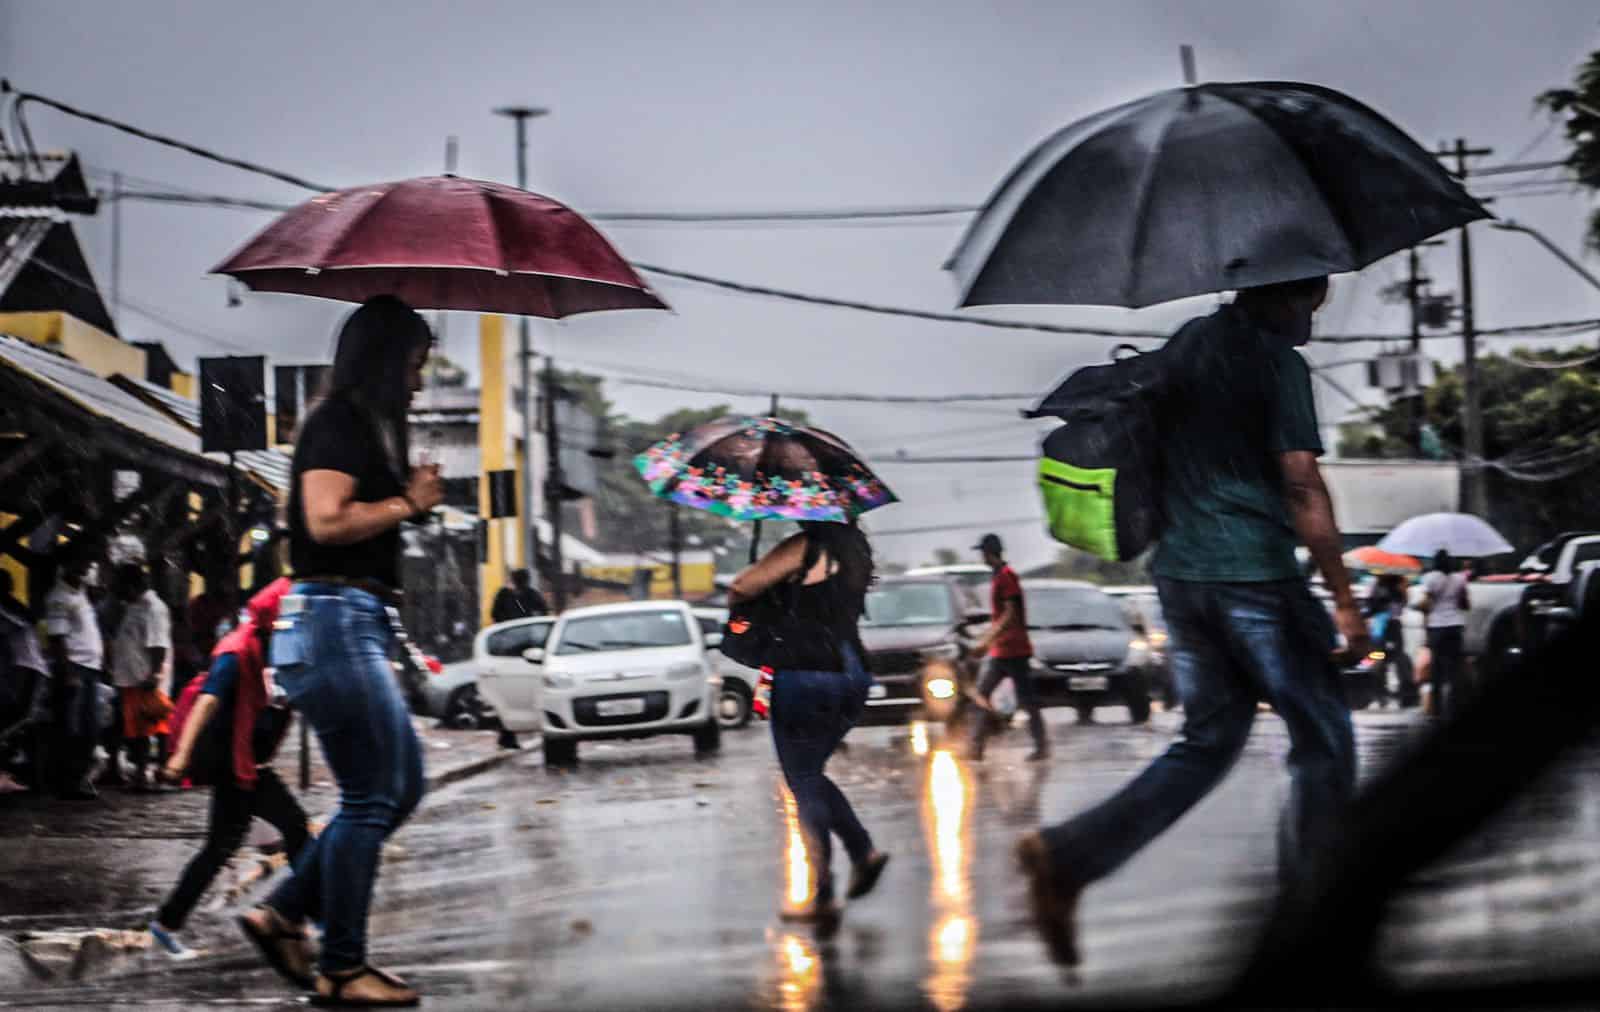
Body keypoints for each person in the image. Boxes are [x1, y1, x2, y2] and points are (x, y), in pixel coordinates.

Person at [1016, 276, 1367, 965]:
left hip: (1180, 577)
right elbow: (1301, 483)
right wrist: (1345, 600)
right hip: (1253, 573)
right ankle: (1316, 917)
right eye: (1314, 295)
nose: (1319, 309)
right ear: (1288, 292)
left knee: (1207, 742)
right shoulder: (1277, 362)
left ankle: (1068, 855)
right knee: (1324, 743)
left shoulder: (1188, 345)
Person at [238, 296, 443, 1008]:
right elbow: (325, 523)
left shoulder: (368, 427)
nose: (419, 382)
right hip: (332, 618)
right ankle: (342, 966)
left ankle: (283, 911)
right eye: (414, 365)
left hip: (355, 620)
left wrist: (408, 499)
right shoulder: (338, 422)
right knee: (369, 797)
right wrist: (408, 504)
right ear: (385, 362)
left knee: (401, 787)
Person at [730, 519, 890, 932]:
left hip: (804, 670)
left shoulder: (807, 545)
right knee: (810, 775)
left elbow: (743, 587)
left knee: (802, 779)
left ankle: (822, 893)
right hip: (852, 672)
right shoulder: (856, 551)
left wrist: (755, 586)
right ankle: (863, 853)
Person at [150, 578, 310, 963]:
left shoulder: (273, 651)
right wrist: (180, 757)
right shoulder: (236, 651)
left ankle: (167, 925)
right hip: (236, 765)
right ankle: (293, 916)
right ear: (272, 622)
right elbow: (207, 701)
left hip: (246, 764)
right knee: (295, 831)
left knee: (220, 846)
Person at [964, 533, 1048, 761]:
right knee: (982, 695)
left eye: (983, 553)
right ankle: (976, 747)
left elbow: (1010, 614)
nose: (982, 557)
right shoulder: (999, 576)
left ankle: (1041, 747)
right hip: (1002, 650)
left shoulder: (1007, 576)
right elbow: (1000, 616)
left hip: (1015, 650)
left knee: (1026, 700)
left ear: (989, 553)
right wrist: (987, 640)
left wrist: (986, 641)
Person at [44, 550, 106, 801]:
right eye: (82, 564)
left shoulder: (79, 592)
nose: (86, 569)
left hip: (90, 668)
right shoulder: (58, 597)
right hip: (75, 669)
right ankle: (67, 781)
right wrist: (68, 673)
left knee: (90, 727)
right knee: (72, 728)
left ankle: (78, 778)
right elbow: (57, 638)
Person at [107, 564, 173, 791]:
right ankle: (140, 774)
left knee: (145, 729)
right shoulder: (135, 606)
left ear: (131, 586)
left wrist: (154, 675)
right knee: (136, 730)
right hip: (130, 678)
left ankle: (145, 776)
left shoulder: (153, 608)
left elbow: (158, 645)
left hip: (142, 679)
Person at [0, 570, 48, 788]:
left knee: (22, 715)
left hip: (26, 667)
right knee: (22, 715)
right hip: (27, 667)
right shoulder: (17, 608)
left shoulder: (11, 609)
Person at [1420, 549, 1470, 716]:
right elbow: (1465, 605)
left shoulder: (1430, 578)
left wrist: (1421, 605)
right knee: (1455, 669)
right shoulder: (1460, 578)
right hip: (1455, 626)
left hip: (1437, 627)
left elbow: (1426, 604)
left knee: (1436, 669)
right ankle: (1455, 707)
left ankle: (1437, 710)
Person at [1365, 572, 1415, 707]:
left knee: (1381, 658)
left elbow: (1371, 608)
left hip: (1383, 629)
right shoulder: (1394, 586)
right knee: (1391, 658)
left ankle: (1381, 693)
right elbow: (1400, 607)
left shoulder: (1381, 586)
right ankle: (1397, 695)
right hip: (1387, 628)